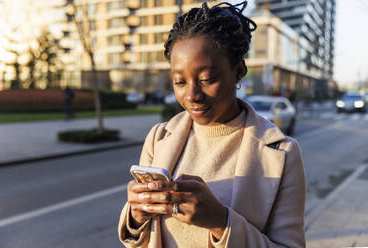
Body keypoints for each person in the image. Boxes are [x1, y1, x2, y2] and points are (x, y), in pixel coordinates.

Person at [118, 1, 306, 247]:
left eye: (207, 79)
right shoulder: (160, 137)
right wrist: (136, 214)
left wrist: (221, 221)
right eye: (179, 82)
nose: (192, 95)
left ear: (239, 71)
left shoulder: (283, 153)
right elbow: (139, 241)